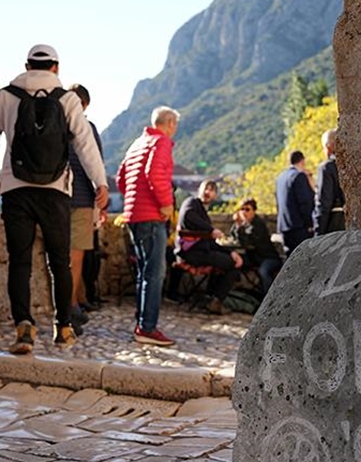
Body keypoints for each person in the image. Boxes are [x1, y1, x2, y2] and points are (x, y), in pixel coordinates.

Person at [0, 44, 108, 355]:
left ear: (27, 65)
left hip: (16, 191)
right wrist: (100, 182)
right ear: (56, 68)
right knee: (59, 262)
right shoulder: (68, 100)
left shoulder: (5, 96)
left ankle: (24, 326)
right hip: (56, 191)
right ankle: (63, 328)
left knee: (19, 261)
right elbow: (86, 145)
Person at [116, 106, 179, 346]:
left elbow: (122, 178)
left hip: (134, 214)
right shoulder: (160, 142)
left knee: (145, 272)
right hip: (151, 215)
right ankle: (147, 327)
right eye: (175, 125)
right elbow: (155, 173)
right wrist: (165, 204)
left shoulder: (137, 143)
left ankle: (142, 323)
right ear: (170, 123)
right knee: (155, 273)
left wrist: (134, 198)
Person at [65, 84, 105, 334]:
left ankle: (73, 303)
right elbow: (96, 163)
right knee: (75, 258)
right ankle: (71, 307)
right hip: (79, 198)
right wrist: (100, 198)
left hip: (58, 197)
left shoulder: (56, 124)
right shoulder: (88, 129)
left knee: (64, 258)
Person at [176, 180, 243, 314]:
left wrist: (230, 252)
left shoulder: (204, 215)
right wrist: (211, 229)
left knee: (231, 261)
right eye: (206, 188)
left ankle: (210, 298)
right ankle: (215, 301)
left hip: (203, 251)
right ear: (199, 190)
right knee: (233, 266)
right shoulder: (191, 203)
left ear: (215, 196)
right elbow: (188, 216)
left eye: (212, 190)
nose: (208, 192)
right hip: (192, 253)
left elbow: (211, 242)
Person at [230, 197, 281, 297]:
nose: (244, 212)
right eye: (242, 209)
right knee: (231, 262)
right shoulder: (243, 224)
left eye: (247, 209)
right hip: (253, 258)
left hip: (268, 257)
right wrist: (237, 225)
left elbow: (248, 242)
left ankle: (269, 298)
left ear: (254, 211)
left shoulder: (258, 224)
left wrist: (240, 228)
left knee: (264, 272)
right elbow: (234, 237)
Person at [275, 150, 315, 256]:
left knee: (289, 261)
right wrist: (309, 224)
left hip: (284, 226)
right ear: (302, 161)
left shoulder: (280, 178)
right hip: (299, 227)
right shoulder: (299, 176)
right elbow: (305, 202)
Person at [313, 127, 345, 235]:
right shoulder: (353, 164)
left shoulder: (327, 168)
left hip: (334, 226)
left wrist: (318, 233)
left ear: (328, 146)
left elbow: (323, 204)